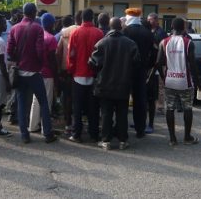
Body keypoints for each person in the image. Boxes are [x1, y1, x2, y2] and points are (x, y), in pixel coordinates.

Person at [7, 2, 57, 144]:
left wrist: (18, 60)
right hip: (34, 72)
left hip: (20, 71)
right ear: (35, 13)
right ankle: (48, 134)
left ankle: (24, 135)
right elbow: (40, 50)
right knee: (43, 102)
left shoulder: (15, 28)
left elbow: (9, 51)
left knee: (22, 103)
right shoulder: (37, 28)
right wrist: (40, 65)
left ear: (23, 13)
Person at [89, 17, 140, 150]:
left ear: (110, 27)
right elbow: (136, 64)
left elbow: (92, 63)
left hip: (104, 84)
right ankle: (123, 140)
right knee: (122, 113)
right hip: (123, 85)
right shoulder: (130, 44)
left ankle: (106, 140)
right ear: (121, 27)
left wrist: (99, 74)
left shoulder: (101, 43)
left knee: (106, 113)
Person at [153, 17, 201, 146]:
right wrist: (198, 82)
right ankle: (187, 137)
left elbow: (157, 63)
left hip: (170, 80)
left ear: (172, 27)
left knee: (169, 108)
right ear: (184, 28)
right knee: (187, 108)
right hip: (185, 81)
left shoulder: (164, 42)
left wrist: (164, 77)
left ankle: (172, 138)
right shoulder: (188, 43)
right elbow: (193, 65)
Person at [67, 8, 104, 143]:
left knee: (77, 107)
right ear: (92, 18)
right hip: (93, 74)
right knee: (93, 107)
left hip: (78, 74)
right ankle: (94, 134)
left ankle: (76, 134)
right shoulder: (99, 33)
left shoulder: (75, 33)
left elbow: (71, 55)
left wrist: (71, 70)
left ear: (81, 18)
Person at [123, 8, 153, 137]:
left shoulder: (125, 31)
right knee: (140, 100)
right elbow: (153, 53)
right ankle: (140, 130)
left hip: (126, 70)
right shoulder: (147, 32)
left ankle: (122, 129)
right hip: (142, 70)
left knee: (123, 100)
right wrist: (147, 67)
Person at [29, 13, 58, 133]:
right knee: (47, 102)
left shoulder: (37, 36)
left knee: (35, 101)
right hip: (48, 74)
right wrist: (56, 77)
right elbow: (52, 61)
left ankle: (33, 126)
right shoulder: (51, 39)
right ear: (51, 24)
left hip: (36, 73)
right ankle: (45, 128)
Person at [56, 11, 81, 136]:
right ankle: (79, 125)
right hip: (81, 70)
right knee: (79, 98)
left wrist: (59, 69)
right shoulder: (83, 31)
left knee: (67, 98)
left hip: (66, 71)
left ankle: (68, 124)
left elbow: (58, 52)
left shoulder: (64, 33)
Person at [147, 13, 168, 116]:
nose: (148, 21)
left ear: (155, 20)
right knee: (150, 84)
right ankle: (149, 105)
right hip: (150, 63)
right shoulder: (148, 31)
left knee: (160, 85)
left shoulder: (161, 32)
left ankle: (160, 107)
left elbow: (162, 48)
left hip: (160, 63)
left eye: (150, 20)